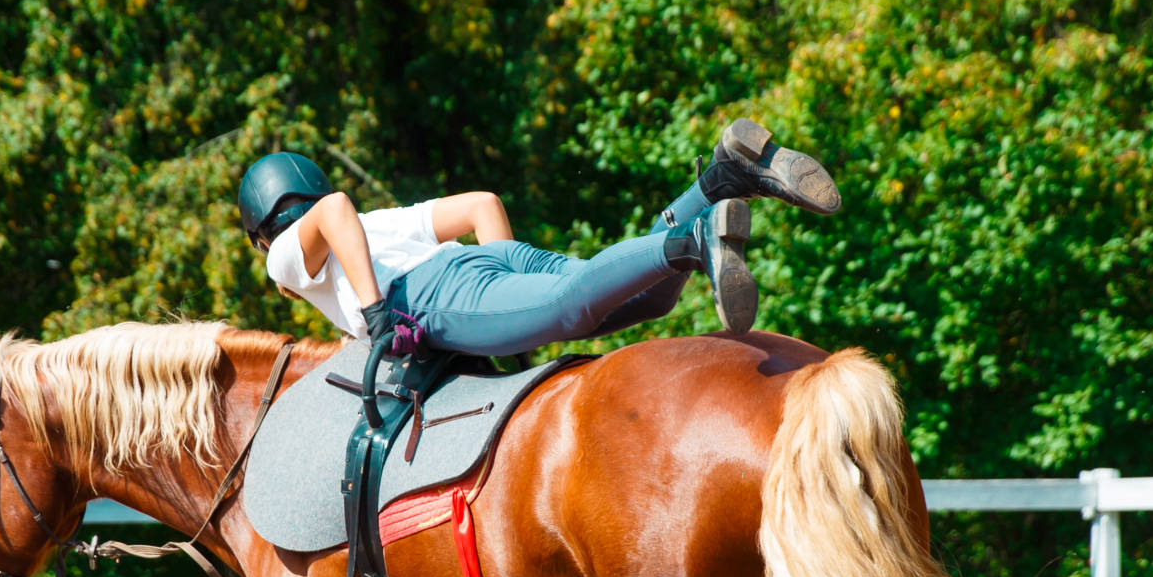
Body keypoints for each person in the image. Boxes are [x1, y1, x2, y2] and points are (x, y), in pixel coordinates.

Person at [237, 118, 839, 356]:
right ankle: (718, 181)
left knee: (569, 305)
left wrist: (372, 314)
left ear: (264, 234)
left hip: (430, 296)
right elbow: (481, 205)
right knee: (644, 297)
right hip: (485, 261)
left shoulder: (286, 256)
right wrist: (506, 274)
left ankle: (694, 242)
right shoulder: (382, 222)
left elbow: (335, 209)